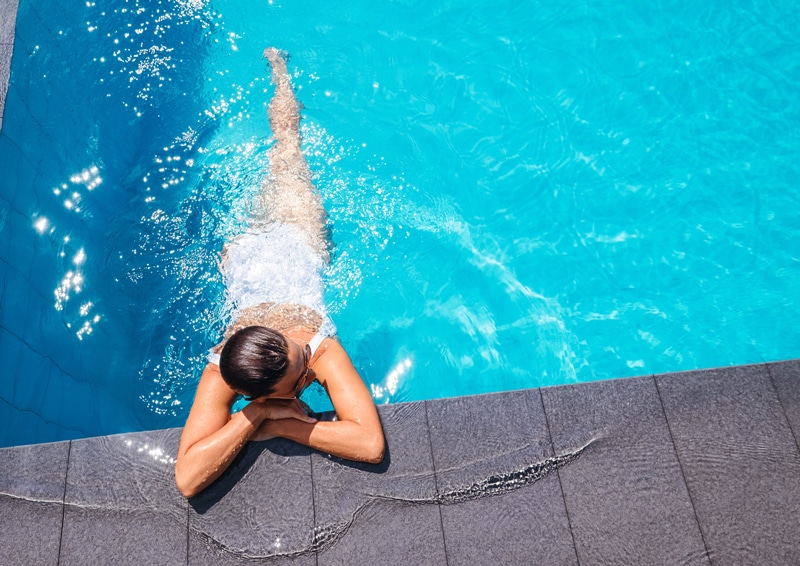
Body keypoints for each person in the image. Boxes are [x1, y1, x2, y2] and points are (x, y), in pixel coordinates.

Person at [175, 49, 385, 498]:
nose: (307, 361)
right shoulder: (223, 371)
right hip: (250, 256)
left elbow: (371, 444)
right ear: (256, 392)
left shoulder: (313, 345)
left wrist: (285, 426)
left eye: (297, 354)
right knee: (281, 152)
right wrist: (257, 418)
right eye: (299, 371)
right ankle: (277, 71)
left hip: (292, 234)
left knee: (288, 144)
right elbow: (186, 479)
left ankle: (280, 71)